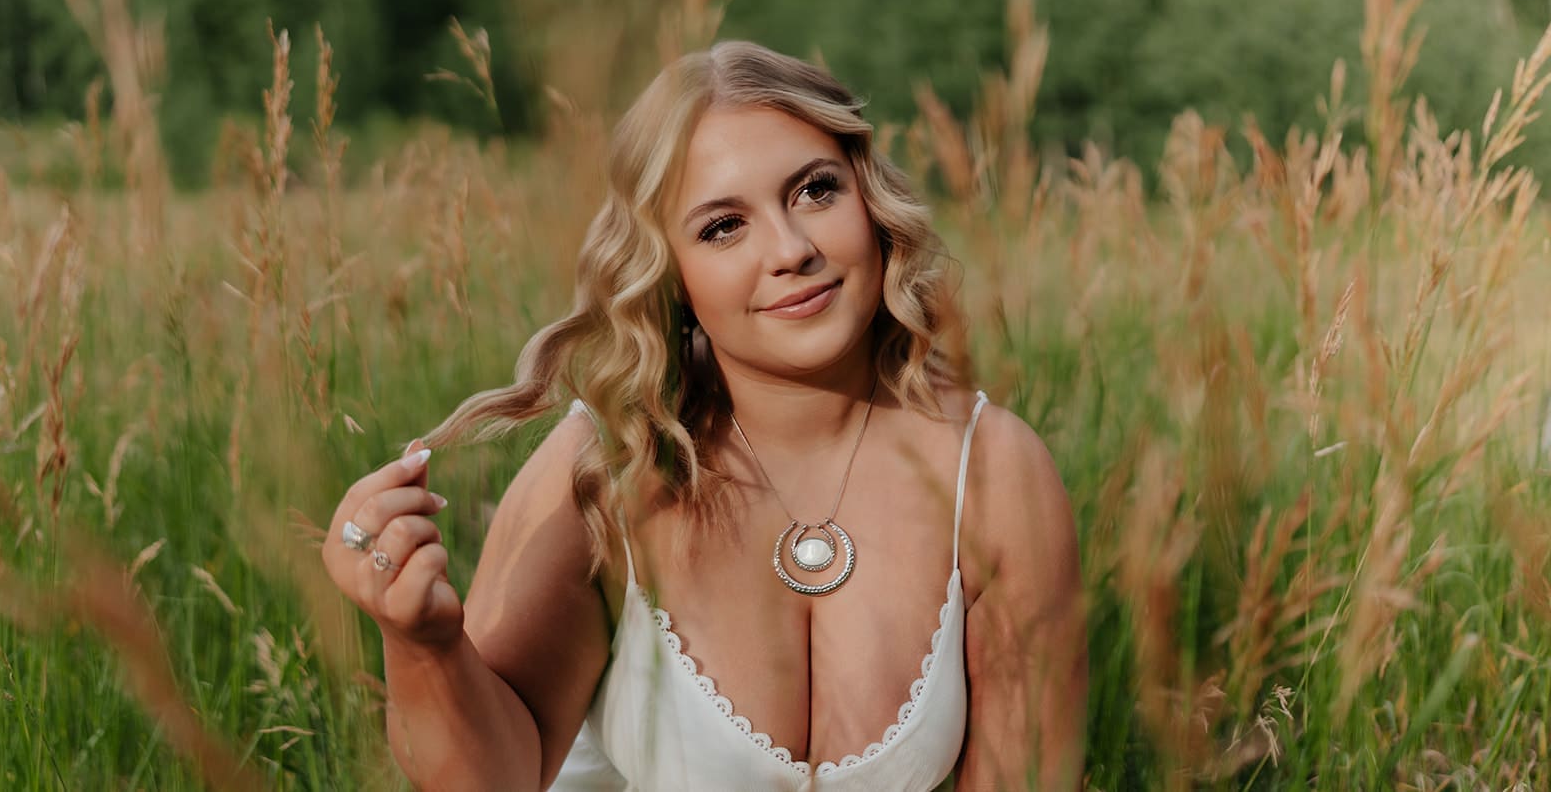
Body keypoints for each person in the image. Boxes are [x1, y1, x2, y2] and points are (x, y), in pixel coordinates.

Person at [323, 42, 1087, 790]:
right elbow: (492, 777)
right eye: (723, 226)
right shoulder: (607, 466)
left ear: (869, 197)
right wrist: (421, 642)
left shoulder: (991, 474)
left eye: (815, 190)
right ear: (671, 272)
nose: (791, 249)